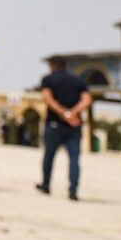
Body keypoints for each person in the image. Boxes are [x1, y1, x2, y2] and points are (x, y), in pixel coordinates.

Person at [35, 56, 91, 201]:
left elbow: (47, 98)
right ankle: (73, 190)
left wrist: (63, 113)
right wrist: (73, 112)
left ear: (52, 65)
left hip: (54, 124)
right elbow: (86, 99)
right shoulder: (78, 80)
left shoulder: (48, 79)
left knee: (49, 155)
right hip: (74, 125)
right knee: (74, 159)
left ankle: (46, 184)